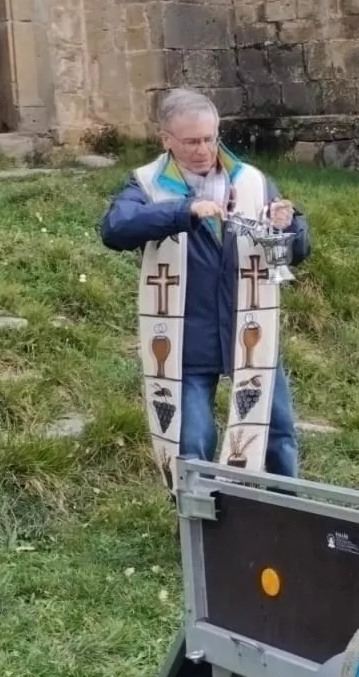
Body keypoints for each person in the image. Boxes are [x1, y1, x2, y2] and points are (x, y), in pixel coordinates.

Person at [100, 88, 310, 485]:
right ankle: (199, 528)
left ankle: (285, 521)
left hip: (250, 331)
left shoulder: (253, 181)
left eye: (210, 138)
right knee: (191, 441)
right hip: (186, 337)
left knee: (276, 435)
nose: (203, 149)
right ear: (166, 139)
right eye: (191, 141)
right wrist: (184, 211)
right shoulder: (146, 184)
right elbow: (115, 229)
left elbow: (297, 249)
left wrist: (291, 227)